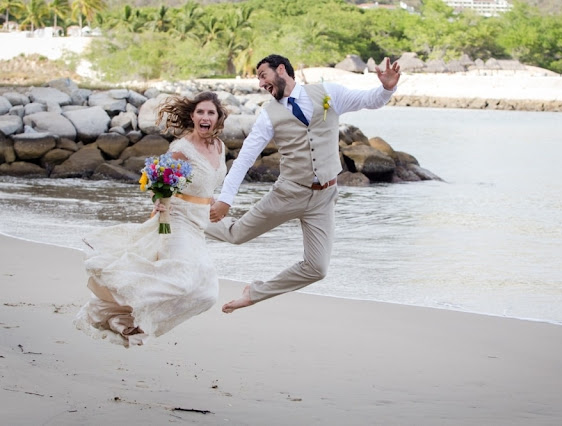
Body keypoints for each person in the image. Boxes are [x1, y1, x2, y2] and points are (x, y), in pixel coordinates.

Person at [207, 54, 401, 313]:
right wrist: (225, 200)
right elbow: (244, 159)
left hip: (324, 197)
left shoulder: (328, 93)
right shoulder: (269, 115)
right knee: (236, 234)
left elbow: (369, 100)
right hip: (288, 193)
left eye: (263, 76)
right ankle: (185, 216)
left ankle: (254, 293)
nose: (261, 84)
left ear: (281, 70)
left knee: (317, 268)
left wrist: (387, 88)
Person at [74, 91, 228, 347]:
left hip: (199, 225)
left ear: (218, 117)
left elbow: (207, 184)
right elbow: (160, 182)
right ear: (192, 116)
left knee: (207, 293)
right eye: (200, 112)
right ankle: (124, 315)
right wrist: (160, 202)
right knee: (180, 281)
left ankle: (124, 317)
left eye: (210, 112)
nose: (205, 116)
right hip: (177, 220)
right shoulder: (182, 149)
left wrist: (213, 200)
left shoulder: (219, 146)